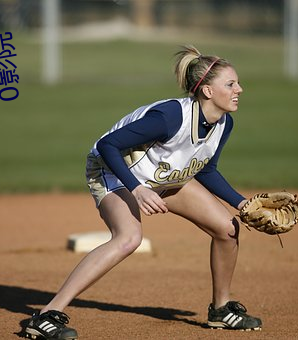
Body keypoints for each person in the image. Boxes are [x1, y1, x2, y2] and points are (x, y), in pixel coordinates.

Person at [25, 45, 262, 340]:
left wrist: (243, 204)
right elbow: (107, 146)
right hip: (113, 172)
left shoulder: (223, 123)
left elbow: (206, 169)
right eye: (230, 84)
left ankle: (222, 309)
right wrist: (136, 189)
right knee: (129, 238)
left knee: (227, 228)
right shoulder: (169, 117)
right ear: (208, 92)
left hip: (161, 177)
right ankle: (46, 315)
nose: (240, 88)